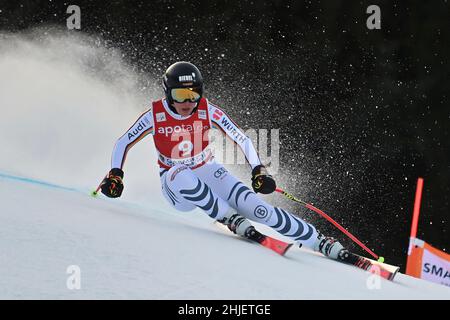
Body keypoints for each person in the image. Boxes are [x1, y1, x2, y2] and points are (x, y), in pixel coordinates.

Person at [100, 61, 346, 260]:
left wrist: (259, 170)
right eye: (180, 94)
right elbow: (123, 142)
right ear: (168, 92)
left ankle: (319, 241)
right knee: (180, 173)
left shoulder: (209, 110)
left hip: (208, 169)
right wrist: (115, 174)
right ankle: (228, 218)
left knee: (258, 208)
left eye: (193, 94)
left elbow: (242, 139)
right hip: (176, 187)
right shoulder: (154, 115)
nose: (188, 102)